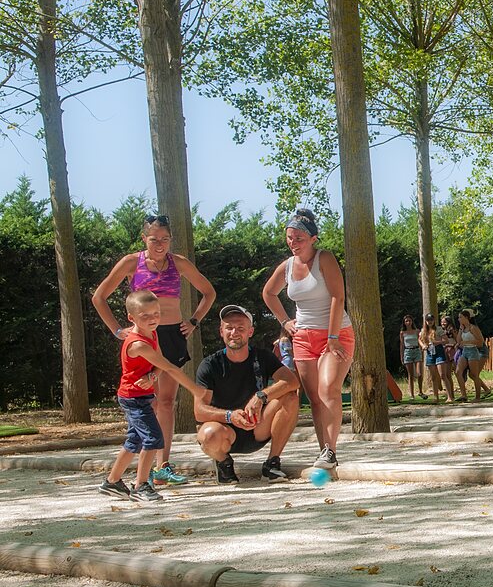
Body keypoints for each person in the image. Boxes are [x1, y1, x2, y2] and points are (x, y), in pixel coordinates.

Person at [92, 213, 216, 487]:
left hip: (172, 334)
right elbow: (99, 297)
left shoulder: (179, 263)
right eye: (154, 239)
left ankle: (163, 465)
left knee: (166, 402)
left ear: (171, 240)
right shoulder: (130, 262)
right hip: (145, 338)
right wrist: (117, 330)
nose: (160, 244)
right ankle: (140, 469)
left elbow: (209, 292)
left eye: (165, 239)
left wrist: (193, 320)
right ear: (144, 239)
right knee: (145, 398)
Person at [262, 208, 353, 471]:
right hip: (302, 337)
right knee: (313, 397)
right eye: (290, 238)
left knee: (328, 389)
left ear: (313, 238)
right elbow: (268, 293)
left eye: (299, 238)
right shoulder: (287, 266)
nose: (293, 243)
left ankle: (331, 450)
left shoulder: (324, 258)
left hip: (335, 334)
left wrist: (333, 336)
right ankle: (324, 450)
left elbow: (338, 296)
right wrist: (284, 322)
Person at [98, 291, 208, 502]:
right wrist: (195, 390)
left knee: (134, 440)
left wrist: (151, 375)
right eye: (145, 315)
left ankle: (112, 482)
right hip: (133, 399)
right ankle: (140, 486)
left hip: (142, 395)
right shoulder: (138, 344)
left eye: (156, 314)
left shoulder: (153, 333)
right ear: (132, 318)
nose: (152, 319)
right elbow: (168, 367)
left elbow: (159, 364)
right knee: (153, 439)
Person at [193, 305, 302, 485]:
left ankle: (272, 463)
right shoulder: (209, 364)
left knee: (290, 397)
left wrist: (260, 396)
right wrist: (230, 416)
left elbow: (292, 382)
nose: (234, 332)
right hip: (225, 431)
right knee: (208, 434)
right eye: (229, 327)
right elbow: (199, 411)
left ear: (250, 332)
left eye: (241, 328)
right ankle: (224, 463)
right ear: (221, 332)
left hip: (258, 425)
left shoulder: (263, 357)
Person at [455, 309, 492, 401]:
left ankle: (478, 397)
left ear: (466, 318)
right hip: (465, 351)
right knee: (458, 372)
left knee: (474, 375)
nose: (458, 319)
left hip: (474, 351)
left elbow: (480, 342)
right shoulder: (463, 329)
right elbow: (458, 341)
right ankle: (464, 395)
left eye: (460, 317)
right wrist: (460, 329)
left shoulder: (473, 328)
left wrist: (467, 342)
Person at [420, 314, 454, 403]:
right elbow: (419, 339)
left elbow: (446, 340)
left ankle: (450, 397)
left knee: (443, 375)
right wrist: (423, 345)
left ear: (434, 320)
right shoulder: (423, 330)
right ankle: (436, 397)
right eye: (428, 320)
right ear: (426, 321)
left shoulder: (438, 329)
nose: (430, 322)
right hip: (430, 353)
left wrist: (437, 342)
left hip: (439, 351)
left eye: (431, 319)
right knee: (433, 377)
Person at [400, 314, 424, 399]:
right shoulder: (402, 332)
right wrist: (402, 356)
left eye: (409, 320)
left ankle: (421, 391)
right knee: (410, 375)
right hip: (408, 352)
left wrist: (422, 352)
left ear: (412, 321)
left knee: (419, 373)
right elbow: (402, 345)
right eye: (406, 321)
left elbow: (420, 342)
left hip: (417, 351)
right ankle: (411, 394)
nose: (408, 322)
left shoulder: (416, 331)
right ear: (404, 323)